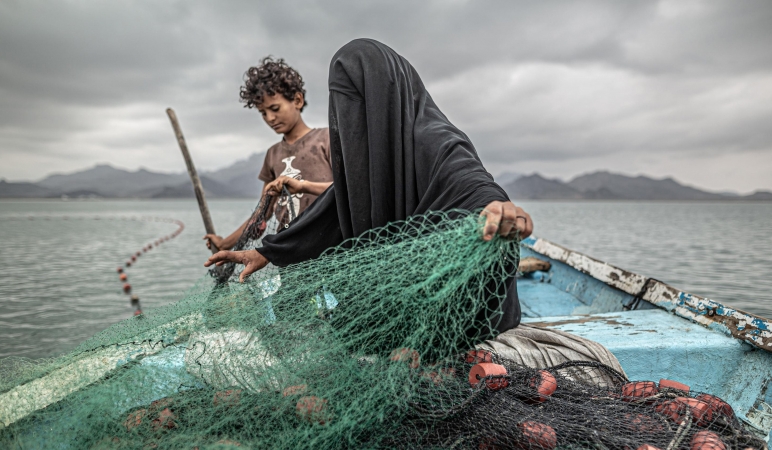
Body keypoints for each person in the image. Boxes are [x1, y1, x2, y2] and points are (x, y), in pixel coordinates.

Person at [206, 39, 533, 335]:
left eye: (359, 106)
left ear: (385, 97)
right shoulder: (364, 155)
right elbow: (337, 203)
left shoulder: (435, 139)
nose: (350, 120)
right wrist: (268, 251)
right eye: (342, 109)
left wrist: (497, 206)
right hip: (394, 296)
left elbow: (472, 183)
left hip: (447, 305)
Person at [203, 57, 333, 251]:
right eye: (263, 113)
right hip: (289, 251)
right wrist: (225, 243)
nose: (270, 118)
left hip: (330, 247)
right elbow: (263, 214)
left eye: (275, 108)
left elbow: (348, 190)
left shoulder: (326, 139)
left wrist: (303, 186)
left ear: (297, 100)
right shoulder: (273, 155)